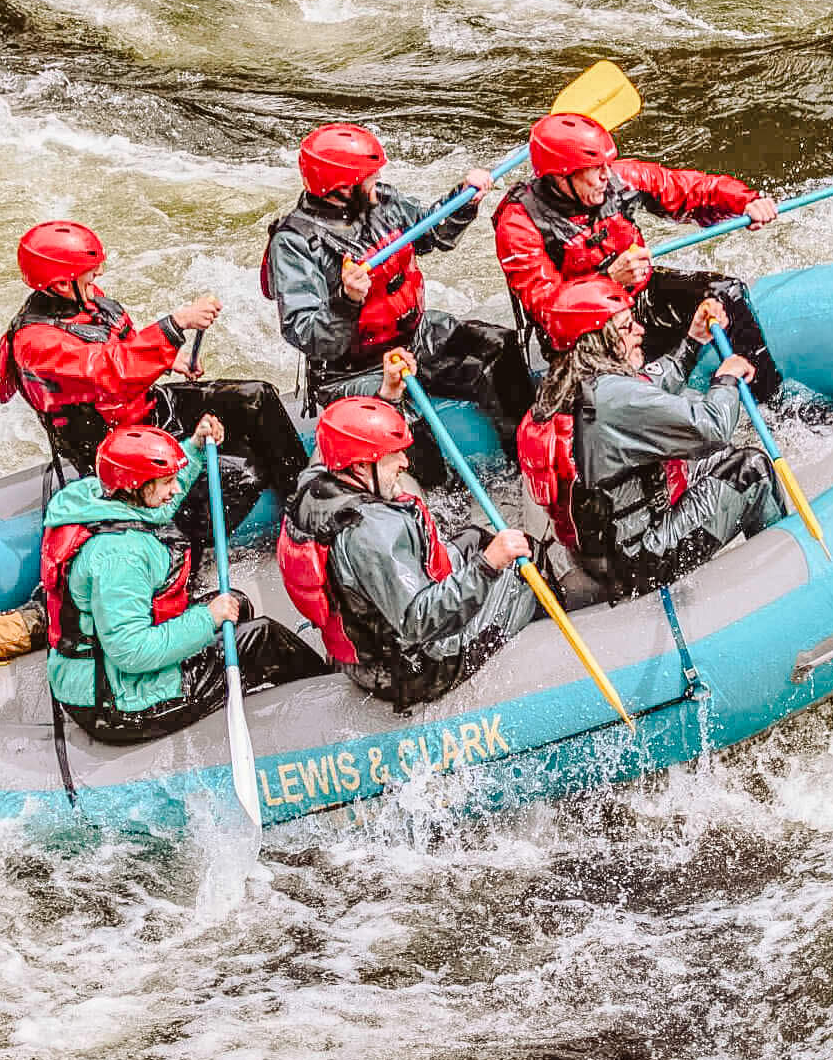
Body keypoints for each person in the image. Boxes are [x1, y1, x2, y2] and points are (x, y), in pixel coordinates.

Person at [0, 218, 308, 549]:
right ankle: (180, 559)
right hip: (113, 444)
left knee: (256, 397)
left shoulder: (85, 299)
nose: (98, 275)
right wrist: (176, 325)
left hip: (146, 407)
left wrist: (166, 361)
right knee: (243, 473)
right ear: (61, 285)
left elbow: (121, 345)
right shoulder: (36, 343)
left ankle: (306, 507)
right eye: (89, 272)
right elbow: (111, 373)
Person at [44, 420, 329, 745]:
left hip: (102, 674)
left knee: (236, 602)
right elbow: (132, 652)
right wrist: (207, 618)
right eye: (166, 482)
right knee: (263, 637)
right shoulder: (120, 557)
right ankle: (333, 699)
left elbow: (156, 504)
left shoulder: (96, 498)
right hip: (118, 703)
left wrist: (193, 447)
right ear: (135, 486)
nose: (176, 489)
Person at [263, 122, 532, 462]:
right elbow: (308, 335)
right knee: (401, 420)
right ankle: (441, 506)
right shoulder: (294, 244)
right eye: (370, 178)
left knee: (496, 348)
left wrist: (463, 199)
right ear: (342, 187)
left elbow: (433, 233)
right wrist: (347, 301)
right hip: (352, 369)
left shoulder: (382, 202)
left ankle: (527, 461)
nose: (378, 184)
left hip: (415, 337)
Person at [278, 375, 539, 709]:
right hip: (416, 669)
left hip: (369, 644)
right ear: (360, 465)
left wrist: (386, 397)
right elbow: (419, 621)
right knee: (525, 567)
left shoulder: (313, 483)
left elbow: (332, 442)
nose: (404, 463)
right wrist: (488, 567)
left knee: (474, 537)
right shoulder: (371, 531)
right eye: (392, 456)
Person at [515, 277, 779, 601]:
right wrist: (726, 380)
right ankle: (781, 576)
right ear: (599, 340)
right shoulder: (611, 399)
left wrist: (692, 342)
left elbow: (645, 388)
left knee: (719, 458)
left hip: (598, 553)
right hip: (640, 561)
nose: (640, 330)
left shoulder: (560, 389)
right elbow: (711, 428)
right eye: (627, 327)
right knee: (752, 470)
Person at [492, 112, 786, 401]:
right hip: (584, 333)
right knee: (627, 388)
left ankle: (772, 401)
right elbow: (548, 312)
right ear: (560, 176)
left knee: (726, 292)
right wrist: (607, 281)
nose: (606, 176)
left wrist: (747, 201)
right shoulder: (519, 224)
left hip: (639, 296)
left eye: (606, 164)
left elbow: (689, 188)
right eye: (595, 169)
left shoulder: (618, 179)